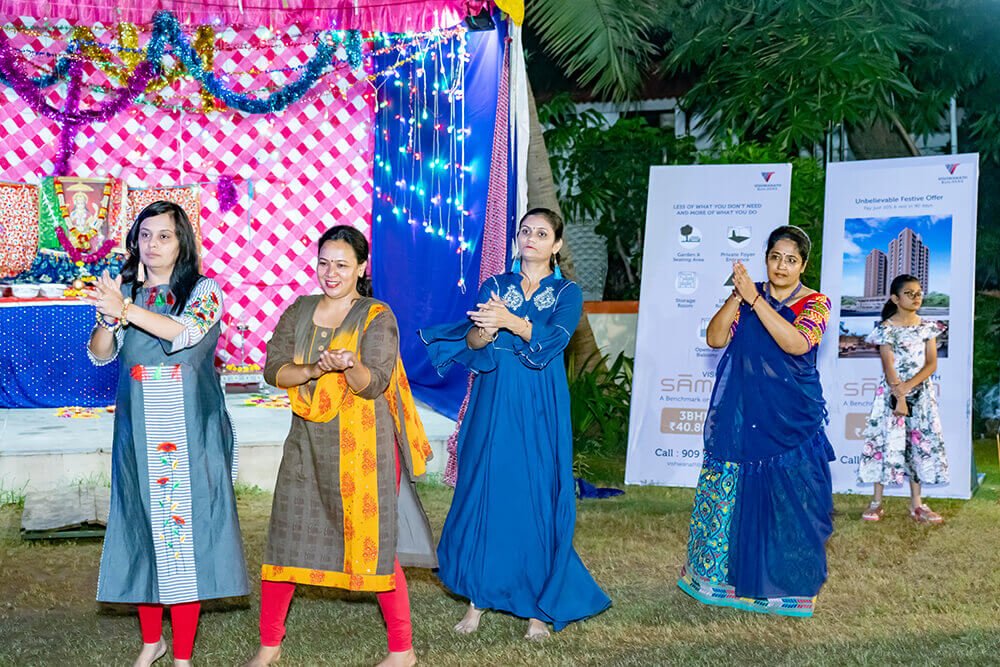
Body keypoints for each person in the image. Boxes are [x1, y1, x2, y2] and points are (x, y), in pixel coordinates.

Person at [244, 225, 435, 667]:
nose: (331, 273)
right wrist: (314, 369)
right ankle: (269, 646)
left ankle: (402, 650)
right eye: (324, 263)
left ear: (362, 268)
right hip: (306, 444)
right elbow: (274, 369)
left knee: (374, 544)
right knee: (285, 537)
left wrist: (350, 365)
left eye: (342, 265)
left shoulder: (376, 316)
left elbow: (375, 384)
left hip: (363, 449)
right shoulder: (301, 310)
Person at [419, 208, 610, 640]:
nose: (531, 239)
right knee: (485, 490)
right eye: (525, 231)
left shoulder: (567, 292)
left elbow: (555, 339)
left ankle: (538, 610)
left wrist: (512, 322)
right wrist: (486, 331)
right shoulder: (495, 285)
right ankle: (477, 600)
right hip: (493, 397)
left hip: (540, 400)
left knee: (535, 495)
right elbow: (473, 341)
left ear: (556, 245)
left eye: (542, 234)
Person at [86, 200, 248, 666]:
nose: (152, 244)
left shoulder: (204, 290)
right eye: (145, 235)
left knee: (184, 535)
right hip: (137, 427)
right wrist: (108, 318)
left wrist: (125, 309)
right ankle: (151, 642)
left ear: (182, 244)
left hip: (189, 429)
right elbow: (100, 354)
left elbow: (184, 334)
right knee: (141, 529)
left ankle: (183, 656)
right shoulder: (126, 293)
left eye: (164, 236)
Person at [677, 225, 834, 617]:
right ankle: (727, 582)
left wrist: (756, 300)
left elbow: (797, 343)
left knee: (791, 501)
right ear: (766, 258)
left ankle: (786, 587)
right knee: (735, 494)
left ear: (803, 265)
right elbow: (715, 339)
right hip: (745, 412)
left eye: (791, 260)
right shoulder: (747, 295)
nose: (781, 266)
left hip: (792, 418)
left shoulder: (816, 302)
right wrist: (738, 295)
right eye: (775, 257)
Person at [858, 274, 948, 523]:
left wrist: (908, 388)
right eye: (909, 293)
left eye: (919, 293)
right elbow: (888, 366)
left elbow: (931, 364)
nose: (916, 297)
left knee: (919, 444)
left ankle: (917, 504)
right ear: (895, 298)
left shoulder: (928, 327)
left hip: (921, 396)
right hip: (891, 394)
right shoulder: (885, 329)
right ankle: (876, 502)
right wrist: (899, 395)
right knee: (884, 443)